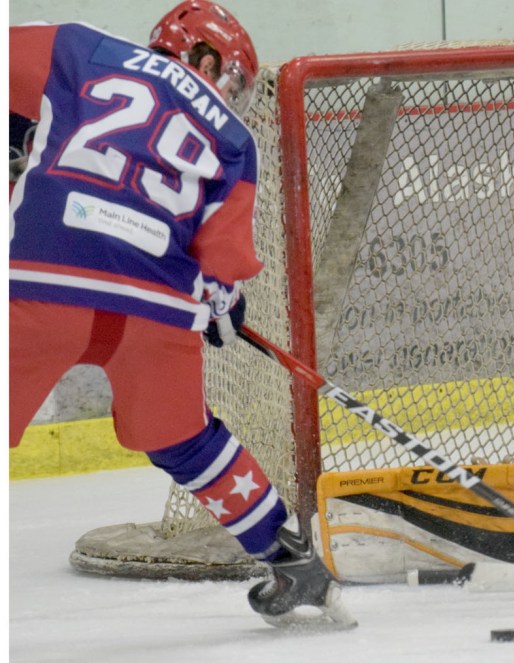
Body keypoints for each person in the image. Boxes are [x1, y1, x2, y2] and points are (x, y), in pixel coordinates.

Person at [8, 1, 356, 629]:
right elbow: (222, 261)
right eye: (232, 77)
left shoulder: (79, 47)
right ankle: (294, 565)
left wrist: (18, 129)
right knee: (183, 438)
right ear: (201, 57)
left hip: (45, 274)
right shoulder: (234, 138)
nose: (231, 93)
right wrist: (221, 299)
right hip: (158, 302)